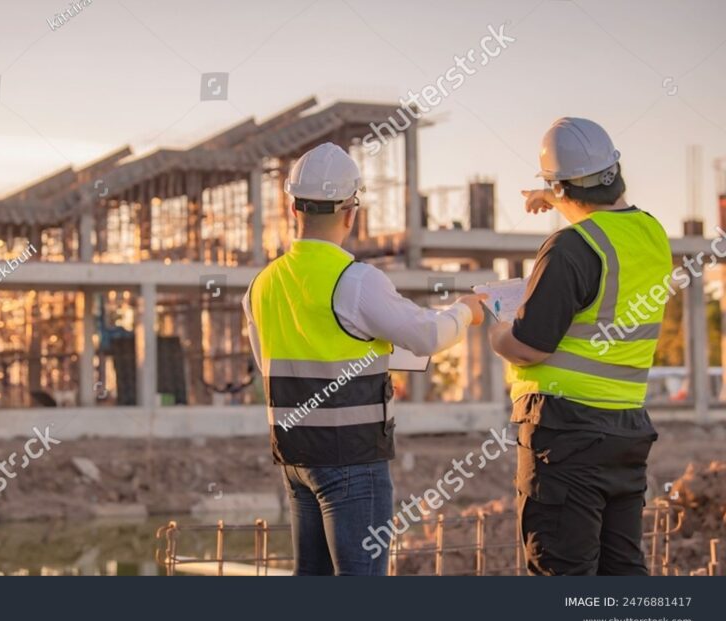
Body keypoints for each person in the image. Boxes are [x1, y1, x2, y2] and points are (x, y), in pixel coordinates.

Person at [243, 142, 486, 576]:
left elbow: (271, 365)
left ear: (293, 209)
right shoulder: (356, 281)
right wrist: (466, 310)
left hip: (296, 459)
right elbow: (427, 335)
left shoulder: (261, 285)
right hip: (352, 460)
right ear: (351, 213)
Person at [489, 117, 672, 575]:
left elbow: (529, 347)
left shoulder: (570, 248)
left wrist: (496, 329)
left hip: (566, 435)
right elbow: (603, 213)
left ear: (561, 186)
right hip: (626, 431)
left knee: (563, 575)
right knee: (622, 573)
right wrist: (554, 195)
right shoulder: (652, 235)